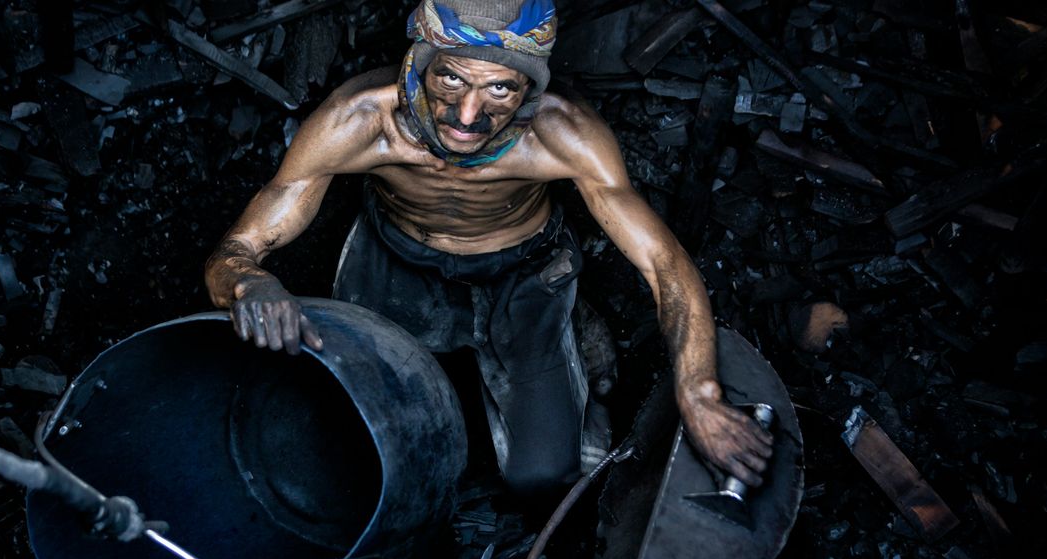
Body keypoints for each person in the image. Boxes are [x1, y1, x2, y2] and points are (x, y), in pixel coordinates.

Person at [204, 0, 773, 499]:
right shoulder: (359, 123)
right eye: (451, 80)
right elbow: (238, 247)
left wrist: (700, 393)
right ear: (422, 64)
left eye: (500, 87)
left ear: (531, 88)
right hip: (394, 262)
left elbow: (663, 262)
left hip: (521, 272)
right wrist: (249, 283)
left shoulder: (561, 134)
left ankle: (572, 338)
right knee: (345, 448)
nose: (469, 116)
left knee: (545, 478)